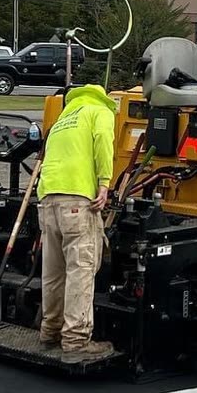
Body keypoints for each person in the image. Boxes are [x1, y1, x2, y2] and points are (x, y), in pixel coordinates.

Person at [36, 82, 117, 355]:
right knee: (80, 270)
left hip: (48, 200)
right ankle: (76, 340)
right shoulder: (100, 111)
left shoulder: (65, 117)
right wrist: (105, 182)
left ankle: (50, 331)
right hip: (78, 200)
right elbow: (104, 143)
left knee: (54, 271)